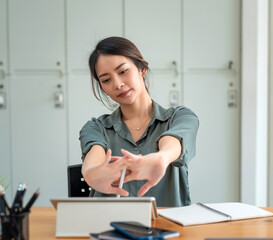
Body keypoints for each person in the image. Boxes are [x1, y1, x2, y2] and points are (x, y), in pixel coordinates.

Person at [79, 36, 199, 207]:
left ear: (142, 69)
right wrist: (90, 174)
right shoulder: (96, 128)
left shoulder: (180, 118)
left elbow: (171, 142)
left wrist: (161, 159)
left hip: (169, 229)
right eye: (106, 80)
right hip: (109, 228)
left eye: (123, 71)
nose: (118, 84)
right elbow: (94, 155)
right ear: (103, 88)